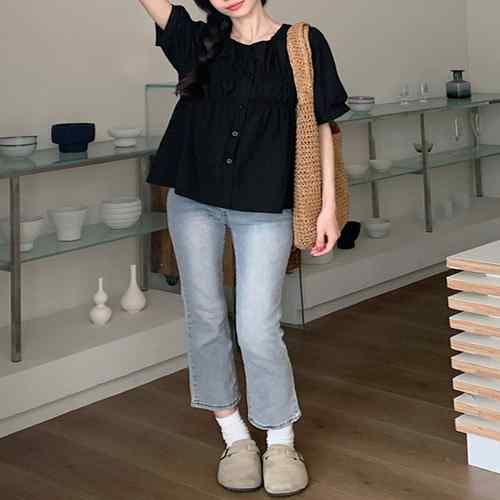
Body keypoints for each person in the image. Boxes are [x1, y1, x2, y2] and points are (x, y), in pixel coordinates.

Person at [138, 0, 350, 495]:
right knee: (206, 318)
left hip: (266, 205)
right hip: (193, 199)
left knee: (257, 328)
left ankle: (280, 441)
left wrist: (327, 208)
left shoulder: (303, 42)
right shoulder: (199, 42)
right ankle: (234, 437)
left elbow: (322, 126)